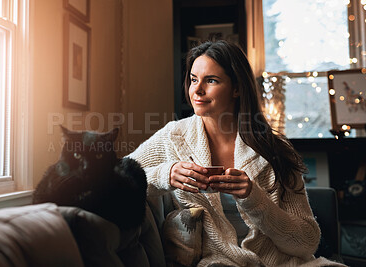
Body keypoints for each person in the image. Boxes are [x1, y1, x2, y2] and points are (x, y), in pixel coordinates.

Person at [127, 40, 343, 267]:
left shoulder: (275, 149)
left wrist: (255, 199)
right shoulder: (174, 138)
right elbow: (121, 175)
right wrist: (166, 174)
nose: (197, 90)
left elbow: (307, 241)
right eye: (193, 79)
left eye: (211, 80)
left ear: (237, 88)